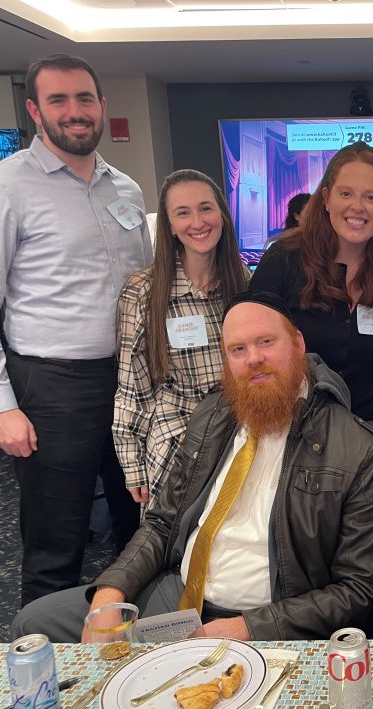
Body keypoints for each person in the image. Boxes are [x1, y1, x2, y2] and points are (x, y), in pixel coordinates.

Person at [12, 291, 373, 642]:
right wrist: (111, 591)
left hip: (268, 618)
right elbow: (163, 522)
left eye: (266, 342)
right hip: (179, 598)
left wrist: (249, 627)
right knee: (34, 624)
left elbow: (357, 590)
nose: (253, 359)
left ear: (297, 343)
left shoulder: (357, 449)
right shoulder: (214, 414)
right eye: (237, 349)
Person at [0, 54, 151, 605]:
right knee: (55, 540)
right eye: (59, 101)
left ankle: (129, 655)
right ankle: (46, 671)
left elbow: (145, 287)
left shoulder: (126, 189)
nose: (75, 112)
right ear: (35, 110)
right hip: (52, 386)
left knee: (141, 524)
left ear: (102, 108)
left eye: (85, 99)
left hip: (131, 382)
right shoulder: (2, 189)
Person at [114, 170, 248, 508]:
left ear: (222, 215)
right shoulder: (144, 291)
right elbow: (133, 386)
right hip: (177, 441)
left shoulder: (243, 281)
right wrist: (133, 466)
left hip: (239, 436)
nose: (197, 222)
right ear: (170, 226)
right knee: (174, 550)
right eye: (182, 213)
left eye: (206, 208)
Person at [250, 142, 373, 425]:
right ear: (326, 198)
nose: (357, 206)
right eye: (346, 193)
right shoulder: (282, 261)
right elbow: (252, 349)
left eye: (371, 197)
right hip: (297, 435)